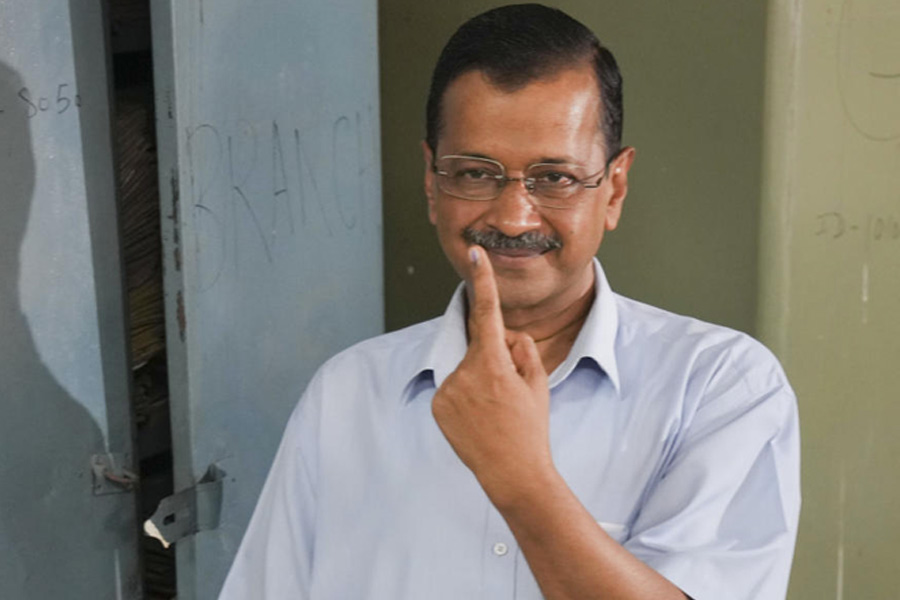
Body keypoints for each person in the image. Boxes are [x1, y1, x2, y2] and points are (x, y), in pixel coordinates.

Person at [219, 4, 800, 599]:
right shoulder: (345, 395)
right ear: (430, 182)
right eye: (474, 173)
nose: (514, 218)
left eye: (556, 177)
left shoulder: (719, 388)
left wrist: (521, 478)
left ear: (614, 190)